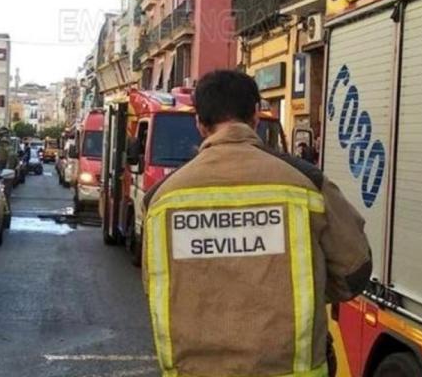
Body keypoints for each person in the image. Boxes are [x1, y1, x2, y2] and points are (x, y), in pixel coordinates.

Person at [142, 70, 371, 376]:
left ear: (199, 124)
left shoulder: (161, 200)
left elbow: (154, 284)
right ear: (255, 117)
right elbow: (354, 269)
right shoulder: (306, 183)